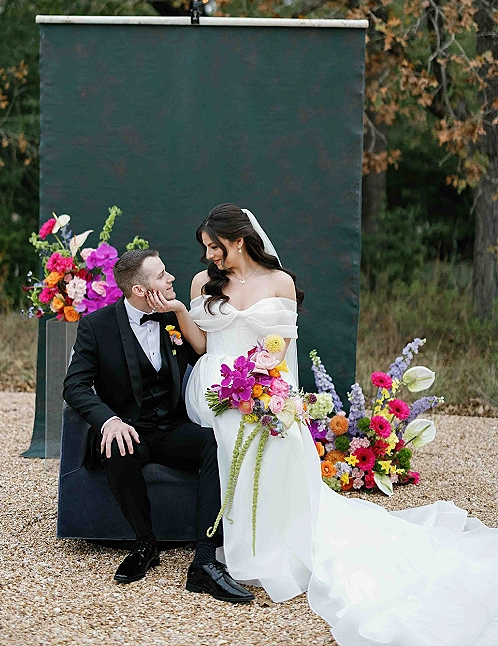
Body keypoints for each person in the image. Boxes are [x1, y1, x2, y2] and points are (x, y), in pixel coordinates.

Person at [146, 204, 498, 646]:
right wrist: (180, 309)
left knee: (286, 440)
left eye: (215, 247)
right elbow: (201, 344)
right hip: (214, 385)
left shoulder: (280, 282)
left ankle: (274, 543)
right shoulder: (203, 282)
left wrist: (266, 386)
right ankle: (228, 549)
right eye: (205, 249)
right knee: (233, 433)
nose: (209, 256)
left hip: (262, 381)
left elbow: (281, 350)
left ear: (239, 240)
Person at [62, 247, 254, 603]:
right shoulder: (97, 327)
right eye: (162, 275)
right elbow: (74, 386)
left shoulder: (172, 318)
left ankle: (205, 560)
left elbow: (205, 354)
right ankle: (145, 544)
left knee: (214, 443)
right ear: (140, 290)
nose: (171, 278)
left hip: (171, 428)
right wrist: (109, 421)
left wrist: (180, 311)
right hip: (128, 429)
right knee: (116, 447)